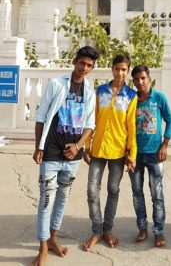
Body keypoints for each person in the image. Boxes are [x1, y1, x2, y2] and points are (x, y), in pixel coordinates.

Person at [31, 46, 99, 266]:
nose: (85, 68)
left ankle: (52, 239)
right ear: (74, 61)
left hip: (73, 157)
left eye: (89, 65)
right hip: (51, 152)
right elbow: (41, 117)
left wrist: (78, 146)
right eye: (82, 63)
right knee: (46, 201)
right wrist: (38, 147)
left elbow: (90, 124)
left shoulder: (90, 92)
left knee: (62, 199)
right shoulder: (56, 84)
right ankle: (42, 248)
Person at [82, 54, 137, 251]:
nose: (120, 73)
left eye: (124, 69)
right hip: (97, 149)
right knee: (91, 191)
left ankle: (107, 230)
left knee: (113, 191)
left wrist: (132, 155)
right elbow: (91, 119)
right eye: (117, 69)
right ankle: (97, 230)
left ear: (128, 71)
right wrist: (87, 145)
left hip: (118, 152)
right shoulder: (100, 92)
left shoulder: (131, 96)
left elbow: (131, 127)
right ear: (112, 69)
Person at [129, 65, 171, 247]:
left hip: (155, 154)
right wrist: (128, 153)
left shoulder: (159, 98)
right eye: (136, 79)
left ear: (149, 79)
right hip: (135, 154)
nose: (140, 82)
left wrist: (165, 144)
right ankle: (142, 228)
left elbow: (170, 120)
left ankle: (159, 231)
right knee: (137, 193)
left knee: (157, 194)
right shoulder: (132, 100)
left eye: (143, 78)